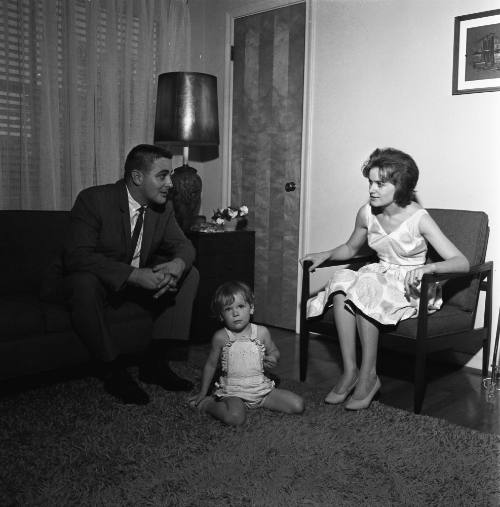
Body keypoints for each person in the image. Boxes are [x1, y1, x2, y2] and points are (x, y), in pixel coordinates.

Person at [300, 148, 469, 410]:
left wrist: (428, 269)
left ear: (400, 186)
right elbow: (351, 249)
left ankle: (369, 376)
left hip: (412, 286)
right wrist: (327, 254)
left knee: (366, 287)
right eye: (370, 182)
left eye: (380, 183)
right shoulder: (366, 212)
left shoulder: (419, 219)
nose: (372, 189)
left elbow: (461, 262)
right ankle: (350, 371)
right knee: (342, 281)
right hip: (380, 274)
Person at [59, 144, 198, 405]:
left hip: (132, 283)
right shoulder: (94, 200)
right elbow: (77, 256)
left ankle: (155, 363)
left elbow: (184, 245)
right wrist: (134, 276)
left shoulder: (163, 209)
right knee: (83, 283)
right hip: (96, 279)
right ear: (137, 178)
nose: (171, 183)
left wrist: (178, 265)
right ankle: (112, 370)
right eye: (162, 175)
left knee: (191, 274)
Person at [189, 281, 305, 425]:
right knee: (235, 418)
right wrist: (203, 392)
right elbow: (211, 365)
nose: (235, 313)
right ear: (221, 316)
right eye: (228, 309)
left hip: (262, 391)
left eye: (241, 306)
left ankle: (256, 403)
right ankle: (208, 404)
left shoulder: (261, 332)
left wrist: (273, 357)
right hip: (233, 392)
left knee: (298, 405)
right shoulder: (220, 337)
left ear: (251, 308)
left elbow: (274, 351)